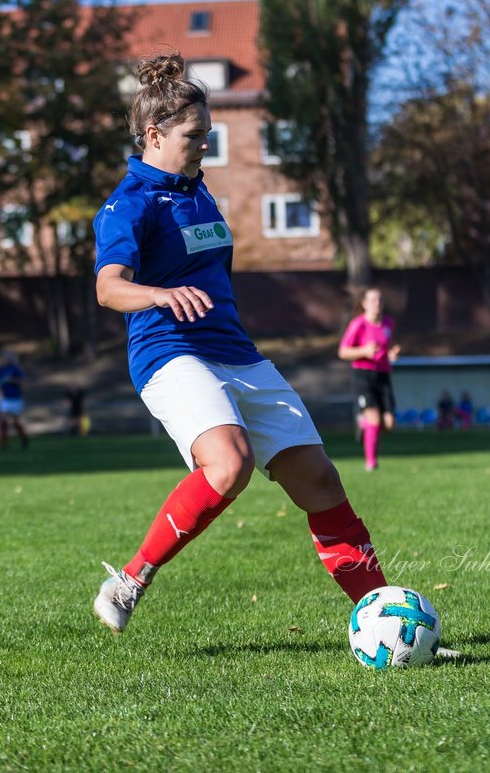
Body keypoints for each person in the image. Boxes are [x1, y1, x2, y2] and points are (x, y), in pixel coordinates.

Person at [89, 52, 388, 636]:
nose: (205, 145)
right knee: (229, 463)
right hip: (168, 351)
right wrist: (159, 295)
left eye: (208, 134)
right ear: (154, 135)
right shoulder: (128, 204)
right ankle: (129, 580)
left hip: (237, 353)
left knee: (321, 482)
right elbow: (108, 289)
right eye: (195, 136)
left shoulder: (198, 193)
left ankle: (384, 617)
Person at [338, 287, 401, 471]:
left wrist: (391, 354)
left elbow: (385, 349)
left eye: (380, 299)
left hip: (383, 376)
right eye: (373, 300)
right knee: (374, 419)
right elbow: (343, 352)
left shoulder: (388, 323)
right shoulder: (358, 324)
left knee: (389, 424)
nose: (377, 303)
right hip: (363, 376)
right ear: (364, 304)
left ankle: (363, 425)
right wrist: (364, 351)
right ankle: (371, 463)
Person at [0, 351, 28, 450]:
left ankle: (24, 438)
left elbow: (23, 383)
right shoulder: (0, 370)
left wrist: (12, 380)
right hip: (5, 398)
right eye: (4, 358)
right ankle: (4, 444)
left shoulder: (16, 369)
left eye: (7, 358)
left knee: (15, 422)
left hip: (16, 398)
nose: (5, 360)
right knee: (3, 421)